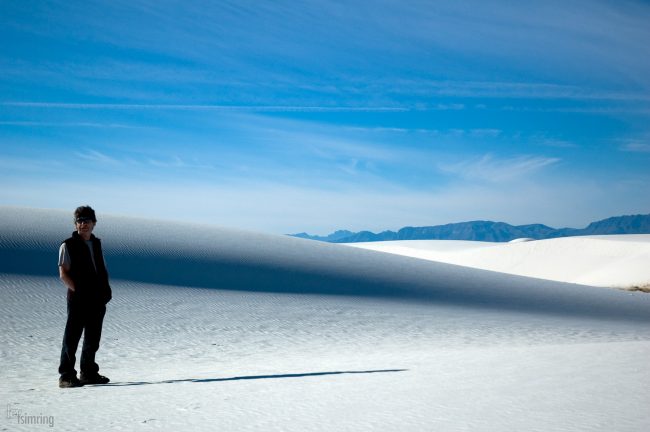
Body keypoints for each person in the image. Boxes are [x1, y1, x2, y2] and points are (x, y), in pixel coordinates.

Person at [58, 206, 112, 388]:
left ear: (94, 223)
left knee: (92, 338)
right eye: (80, 221)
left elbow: (101, 269)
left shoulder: (96, 244)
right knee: (71, 338)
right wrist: (77, 291)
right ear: (75, 224)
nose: (83, 224)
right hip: (78, 299)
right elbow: (63, 273)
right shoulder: (68, 245)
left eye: (87, 221)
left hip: (97, 299)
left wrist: (106, 290)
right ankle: (66, 376)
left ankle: (88, 373)